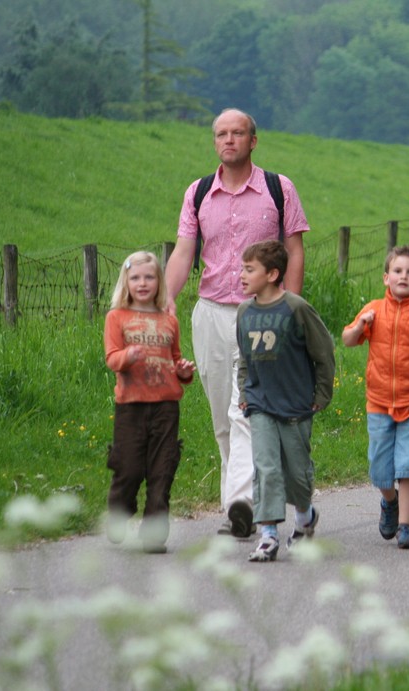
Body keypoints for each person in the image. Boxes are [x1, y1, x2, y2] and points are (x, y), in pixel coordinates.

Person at [164, 108, 310, 537]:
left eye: (238, 133)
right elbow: (183, 252)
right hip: (210, 314)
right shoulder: (198, 193)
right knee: (222, 419)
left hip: (262, 315)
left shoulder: (278, 189)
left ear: (253, 140)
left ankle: (244, 503)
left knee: (248, 410)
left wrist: (291, 309)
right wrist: (165, 301)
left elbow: (294, 250)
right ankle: (240, 504)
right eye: (221, 134)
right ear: (215, 142)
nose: (229, 140)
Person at [341, 246, 409, 550]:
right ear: (386, 277)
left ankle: (405, 526)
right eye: (398, 271)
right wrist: (361, 325)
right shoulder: (374, 309)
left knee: (408, 466)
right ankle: (389, 501)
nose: (404, 276)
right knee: (380, 470)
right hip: (379, 401)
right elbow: (347, 339)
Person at [235, 241, 335, 562]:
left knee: (297, 473)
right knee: (266, 468)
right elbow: (244, 358)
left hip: (296, 404)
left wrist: (321, 394)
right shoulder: (244, 312)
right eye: (242, 269)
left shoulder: (296, 308)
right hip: (260, 403)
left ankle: (305, 517)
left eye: (249, 269)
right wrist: (245, 394)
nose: (242, 275)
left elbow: (323, 352)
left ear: (272, 274)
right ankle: (268, 536)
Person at [104, 251, 196, 554]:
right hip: (131, 406)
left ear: (159, 282)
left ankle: (154, 533)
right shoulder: (117, 318)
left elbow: (175, 359)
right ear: (126, 282)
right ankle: (119, 511)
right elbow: (112, 358)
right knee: (128, 467)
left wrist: (183, 372)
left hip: (166, 406)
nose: (142, 283)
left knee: (162, 470)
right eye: (135, 278)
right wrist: (127, 356)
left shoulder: (169, 320)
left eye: (149, 277)